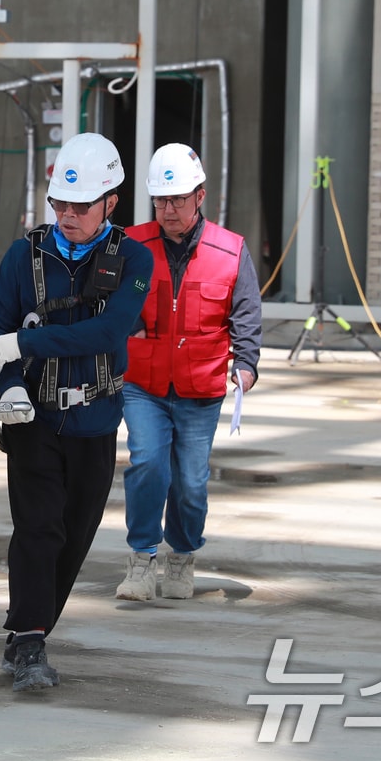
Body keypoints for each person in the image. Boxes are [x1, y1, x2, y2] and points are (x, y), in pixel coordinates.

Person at [0, 132, 153, 691]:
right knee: (38, 529)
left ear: (110, 203)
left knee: (76, 531)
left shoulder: (133, 259)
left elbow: (109, 330)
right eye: (60, 205)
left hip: (96, 419)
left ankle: (28, 629)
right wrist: (11, 384)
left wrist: (24, 346)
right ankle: (29, 641)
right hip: (32, 420)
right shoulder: (22, 256)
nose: (69, 216)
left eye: (81, 206)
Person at [115, 143, 261, 603]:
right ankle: (141, 560)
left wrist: (247, 363)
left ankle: (181, 556)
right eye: (161, 200)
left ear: (200, 196)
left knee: (191, 482)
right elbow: (110, 301)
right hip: (143, 383)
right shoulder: (131, 245)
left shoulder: (230, 250)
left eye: (177, 199)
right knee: (148, 464)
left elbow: (246, 313)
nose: (168, 209)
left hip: (201, 385)